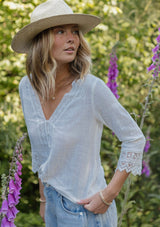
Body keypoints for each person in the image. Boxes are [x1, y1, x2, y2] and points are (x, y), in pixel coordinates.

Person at [11, 0, 146, 226]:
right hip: (52, 205)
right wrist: (44, 200)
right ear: (41, 40)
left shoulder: (91, 88)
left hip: (87, 211)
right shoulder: (27, 87)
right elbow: (43, 151)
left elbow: (134, 138)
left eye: (75, 31)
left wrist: (108, 195)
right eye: (60, 31)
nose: (72, 38)